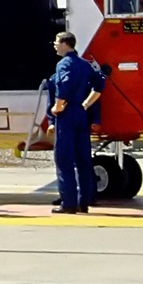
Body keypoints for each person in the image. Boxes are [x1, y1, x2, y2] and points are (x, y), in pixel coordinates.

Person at [49, 31, 105, 214]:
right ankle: (84, 201)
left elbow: (63, 86)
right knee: (83, 159)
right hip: (82, 113)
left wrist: (57, 106)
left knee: (64, 159)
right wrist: (88, 103)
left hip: (68, 115)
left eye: (57, 42)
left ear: (65, 43)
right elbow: (99, 85)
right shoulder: (84, 64)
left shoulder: (64, 64)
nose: (55, 45)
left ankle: (69, 203)